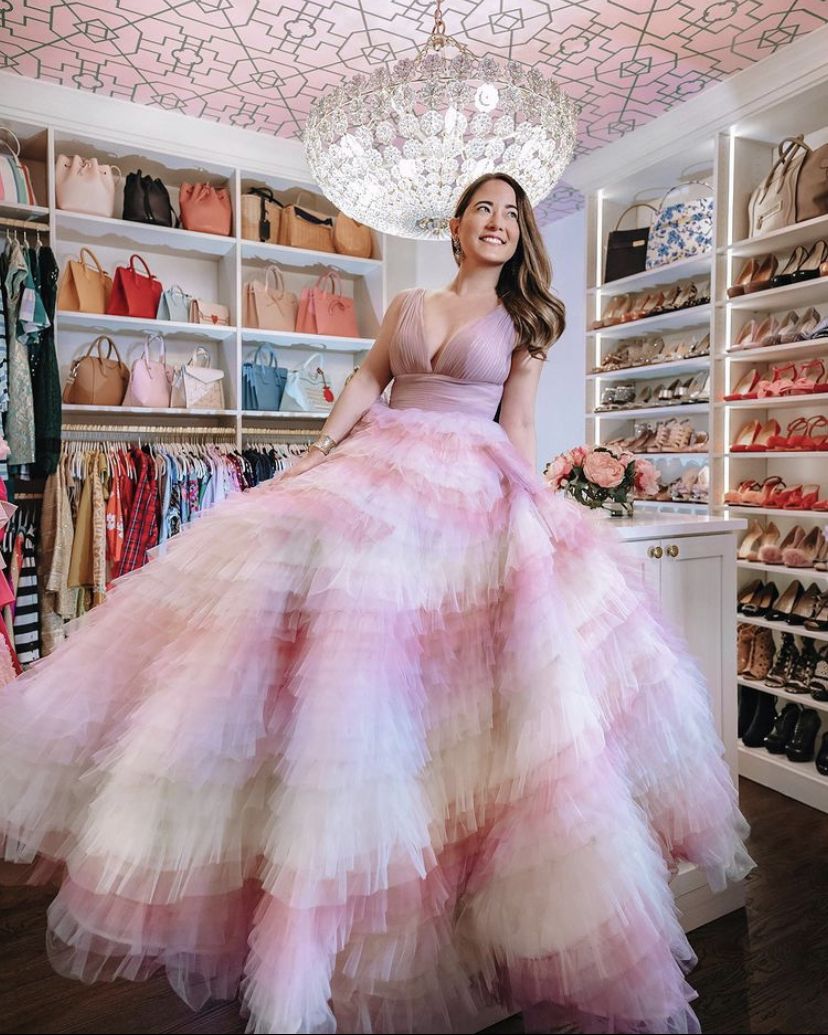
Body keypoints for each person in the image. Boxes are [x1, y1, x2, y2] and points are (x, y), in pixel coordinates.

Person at [0, 172, 753, 1035]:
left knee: (460, 688)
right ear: (457, 225)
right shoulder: (406, 302)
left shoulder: (528, 320)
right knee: (342, 662)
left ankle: (458, 904)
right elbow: (364, 381)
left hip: (468, 484)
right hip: (379, 469)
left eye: (513, 214)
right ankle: (319, 909)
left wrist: (535, 504)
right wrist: (320, 454)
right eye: (485, 210)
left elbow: (517, 426)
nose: (500, 224)